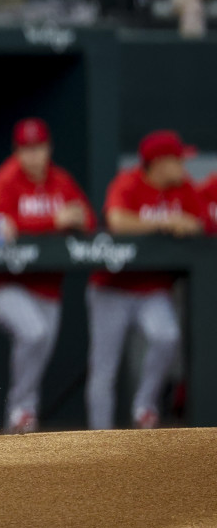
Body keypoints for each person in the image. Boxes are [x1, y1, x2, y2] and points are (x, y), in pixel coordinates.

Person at [0, 118, 94, 434]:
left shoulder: (62, 181)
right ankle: (20, 409)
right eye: (26, 148)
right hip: (3, 285)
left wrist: (77, 219)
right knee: (34, 334)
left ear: (49, 148)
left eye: (38, 147)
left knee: (40, 345)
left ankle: (21, 421)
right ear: (17, 151)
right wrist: (52, 220)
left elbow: (88, 219)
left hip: (47, 287)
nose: (33, 155)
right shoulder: (5, 180)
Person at [87, 130, 205, 430]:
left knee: (167, 336)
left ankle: (145, 406)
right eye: (178, 160)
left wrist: (189, 224)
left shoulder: (184, 188)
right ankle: (97, 439)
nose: (183, 166)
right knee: (104, 368)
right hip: (112, 287)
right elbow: (117, 220)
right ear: (159, 162)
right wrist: (165, 222)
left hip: (153, 288)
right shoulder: (129, 181)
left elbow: (200, 222)